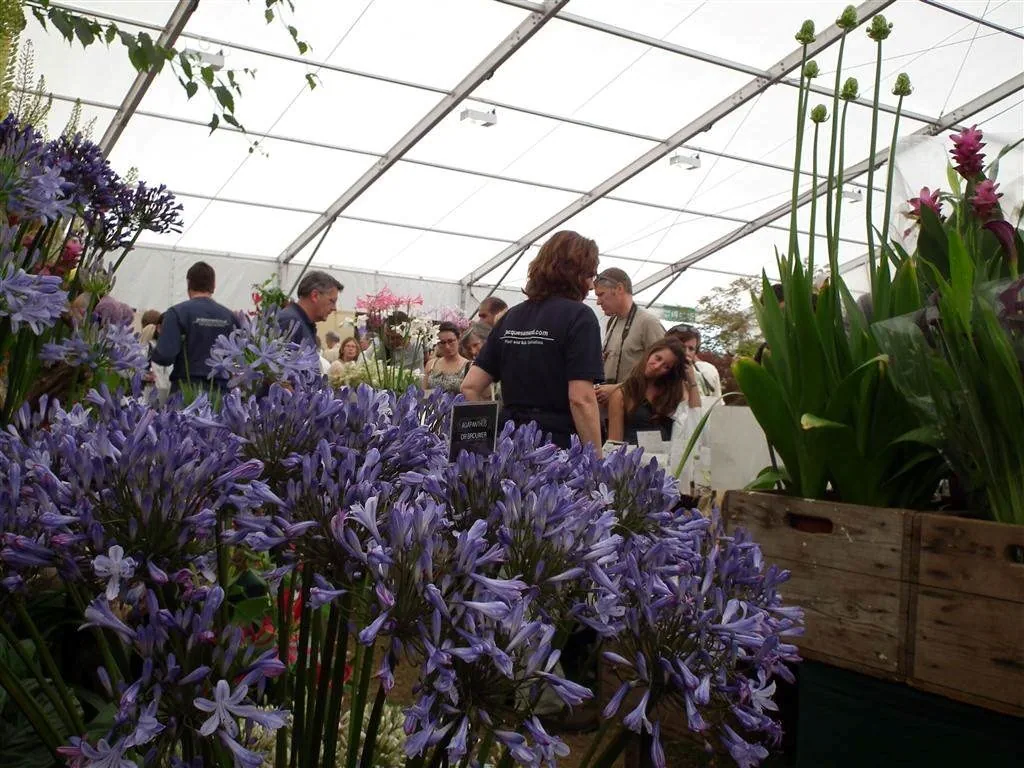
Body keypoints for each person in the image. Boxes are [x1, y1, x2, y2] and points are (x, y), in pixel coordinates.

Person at [462, 230, 603, 454]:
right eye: (590, 275)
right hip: (557, 449)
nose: (593, 285)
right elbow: (581, 399)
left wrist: (488, 438)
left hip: (509, 445)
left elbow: (470, 386)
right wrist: (596, 461)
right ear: (575, 273)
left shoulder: (511, 316)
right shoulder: (580, 317)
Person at [151, 261, 239, 393]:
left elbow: (165, 356)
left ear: (188, 284)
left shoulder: (176, 313)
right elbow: (239, 358)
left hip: (186, 390)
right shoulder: (230, 317)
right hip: (221, 391)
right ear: (213, 286)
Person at [593, 268, 665, 405]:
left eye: (601, 294)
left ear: (619, 288)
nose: (598, 302)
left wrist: (617, 389)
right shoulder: (612, 322)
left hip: (636, 410)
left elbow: (663, 372)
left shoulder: (648, 323)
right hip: (610, 411)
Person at [607, 338, 700, 443]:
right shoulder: (623, 394)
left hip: (667, 455)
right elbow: (614, 442)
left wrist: (692, 380)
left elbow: (695, 415)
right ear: (650, 353)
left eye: (666, 367)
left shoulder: (672, 393)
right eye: (658, 358)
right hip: (634, 456)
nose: (657, 366)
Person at [277, 270, 343, 348]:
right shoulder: (289, 322)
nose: (334, 308)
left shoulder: (301, 323)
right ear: (315, 296)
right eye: (332, 301)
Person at [665, 325, 721, 399]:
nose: (686, 352)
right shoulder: (657, 370)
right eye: (681, 347)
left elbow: (717, 405)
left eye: (691, 349)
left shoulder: (707, 371)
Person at [423, 321, 471, 394]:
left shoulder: (469, 366)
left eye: (451, 341)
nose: (447, 347)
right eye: (442, 343)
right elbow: (423, 393)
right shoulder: (431, 365)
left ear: (458, 340)